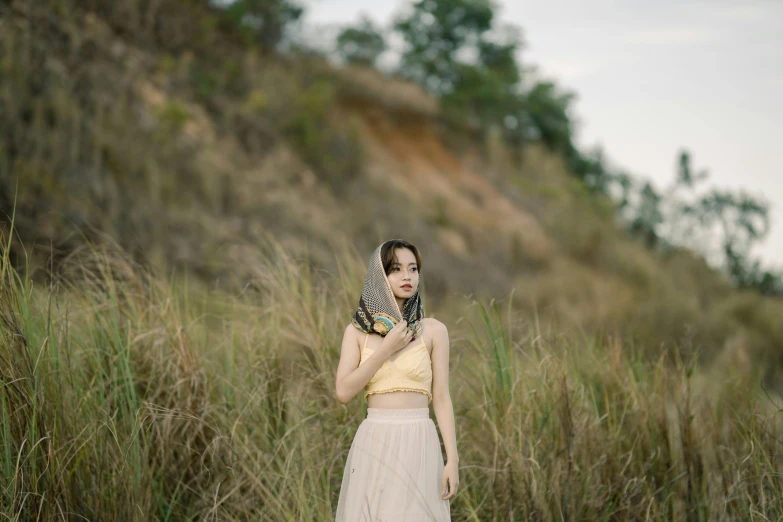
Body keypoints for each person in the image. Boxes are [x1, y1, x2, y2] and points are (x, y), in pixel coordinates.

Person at [334, 239, 459, 521]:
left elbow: (441, 398)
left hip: (420, 441)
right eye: (396, 269)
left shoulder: (433, 331)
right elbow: (343, 392)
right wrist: (386, 349)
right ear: (380, 276)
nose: (407, 276)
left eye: (413, 269)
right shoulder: (356, 333)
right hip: (376, 439)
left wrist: (452, 459)